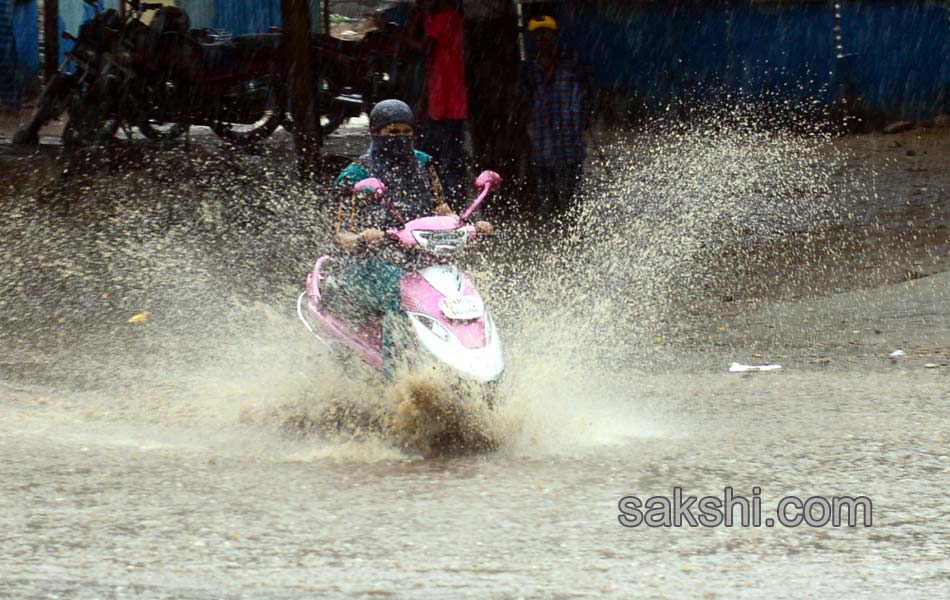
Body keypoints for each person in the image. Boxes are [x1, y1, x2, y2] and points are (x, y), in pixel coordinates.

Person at [332, 99, 491, 377]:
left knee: (462, 290)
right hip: (366, 265)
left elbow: (441, 208)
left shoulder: (423, 163)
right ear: (374, 132)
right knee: (399, 297)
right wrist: (364, 238)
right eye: (392, 133)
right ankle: (398, 379)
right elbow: (342, 234)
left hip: (418, 259)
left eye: (406, 131)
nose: (400, 139)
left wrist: (467, 224)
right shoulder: (356, 175)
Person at [523, 15, 593, 217]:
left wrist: (585, 121)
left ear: (554, 35)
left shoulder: (572, 64)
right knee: (548, 204)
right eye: (537, 34)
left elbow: (588, 94)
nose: (542, 38)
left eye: (545, 33)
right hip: (543, 148)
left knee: (571, 201)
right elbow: (526, 103)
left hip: (569, 147)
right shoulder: (530, 70)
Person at [404, 0, 468, 205]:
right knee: (435, 158)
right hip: (437, 101)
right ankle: (438, 202)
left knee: (448, 160)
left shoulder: (446, 18)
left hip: (451, 102)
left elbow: (423, 47)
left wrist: (404, 33)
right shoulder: (431, 17)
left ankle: (452, 205)